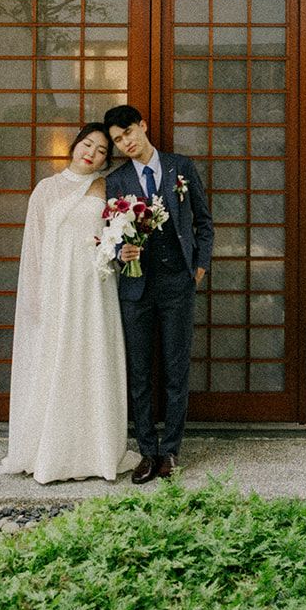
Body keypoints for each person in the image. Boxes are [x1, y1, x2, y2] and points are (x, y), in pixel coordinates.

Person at [0, 123, 136, 484]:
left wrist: (123, 253)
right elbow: (35, 247)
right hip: (58, 287)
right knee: (58, 361)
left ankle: (97, 449)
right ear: (75, 146)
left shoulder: (108, 187)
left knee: (93, 358)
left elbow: (115, 238)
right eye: (87, 144)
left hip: (95, 286)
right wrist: (37, 297)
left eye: (102, 150)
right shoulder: (46, 190)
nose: (92, 153)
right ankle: (53, 450)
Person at [102, 105, 214, 483]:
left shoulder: (180, 166)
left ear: (142, 126)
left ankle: (171, 451)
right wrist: (121, 252)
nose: (126, 143)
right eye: (118, 140)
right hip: (136, 287)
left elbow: (204, 220)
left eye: (129, 133)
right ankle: (146, 450)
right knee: (139, 371)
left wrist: (200, 266)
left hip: (178, 284)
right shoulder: (116, 181)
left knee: (176, 369)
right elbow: (109, 232)